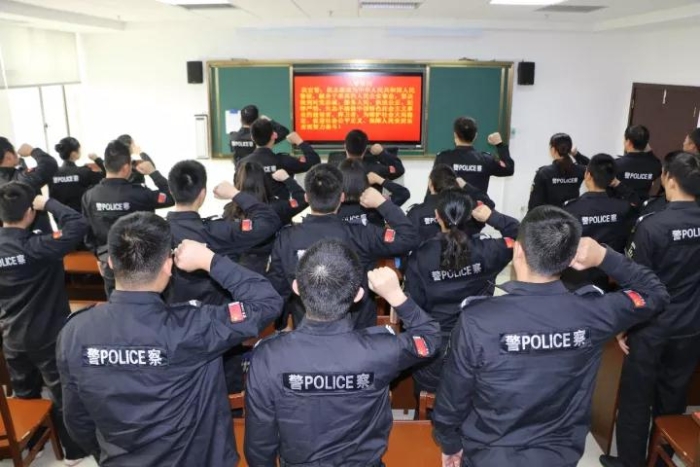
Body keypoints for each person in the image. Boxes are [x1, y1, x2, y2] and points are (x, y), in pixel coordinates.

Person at [431, 206, 669, 467]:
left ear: (518, 251)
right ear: (570, 259)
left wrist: (450, 443)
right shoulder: (594, 313)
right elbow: (655, 294)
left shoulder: (479, 320)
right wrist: (604, 256)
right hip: (559, 456)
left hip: (490, 455)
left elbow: (453, 396)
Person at [56, 213, 282, 467]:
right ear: (167, 265)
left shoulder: (75, 332)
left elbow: (76, 419)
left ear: (110, 263)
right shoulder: (193, 326)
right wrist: (210, 260)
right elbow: (266, 302)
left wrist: (109, 456)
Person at [244, 240, 440, 466]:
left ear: (296, 287)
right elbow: (430, 338)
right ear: (358, 295)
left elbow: (260, 446)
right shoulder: (382, 350)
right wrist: (396, 295)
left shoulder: (268, 357)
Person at [602, 152, 700, 467]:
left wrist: (622, 327)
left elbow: (634, 284)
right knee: (673, 395)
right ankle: (661, 459)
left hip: (650, 327)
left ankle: (631, 462)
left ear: (669, 179)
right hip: (691, 326)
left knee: (635, 398)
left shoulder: (653, 225)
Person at [164, 161, 282, 394]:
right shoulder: (218, 231)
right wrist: (236, 194)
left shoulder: (155, 232)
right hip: (221, 335)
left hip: (170, 337)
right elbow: (269, 221)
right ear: (202, 193)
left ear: (170, 190)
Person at [267, 164, 419, 330]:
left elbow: (278, 289)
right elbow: (409, 238)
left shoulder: (286, 238)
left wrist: (281, 325)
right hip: (357, 331)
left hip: (307, 331)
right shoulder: (361, 234)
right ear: (342, 197)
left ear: (306, 198)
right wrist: (382, 204)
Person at [0, 182, 89, 465]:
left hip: (11, 333)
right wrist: (48, 203)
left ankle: (32, 444)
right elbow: (78, 224)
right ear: (30, 212)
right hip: (48, 333)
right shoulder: (40, 246)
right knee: (62, 392)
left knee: (24, 391)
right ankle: (73, 451)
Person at [404, 189, 519, 394]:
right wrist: (492, 216)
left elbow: (415, 305)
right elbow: (525, 237)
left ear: (437, 215)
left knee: (426, 391)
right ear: (469, 216)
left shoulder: (421, 256)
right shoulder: (489, 249)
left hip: (435, 355)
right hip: (479, 348)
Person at [82, 140, 175, 297]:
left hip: (109, 261)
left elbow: (86, 231)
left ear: (105, 164)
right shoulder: (139, 194)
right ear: (126, 168)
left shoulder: (89, 196)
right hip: (141, 263)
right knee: (145, 303)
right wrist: (153, 172)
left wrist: (99, 256)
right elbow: (171, 197)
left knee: (115, 304)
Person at [223, 161, 307, 275]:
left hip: (241, 272)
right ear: (265, 181)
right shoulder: (279, 207)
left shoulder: (229, 210)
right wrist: (287, 179)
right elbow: (303, 199)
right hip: (274, 269)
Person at [563, 154, 638, 253]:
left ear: (588, 175)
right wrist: (618, 184)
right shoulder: (623, 208)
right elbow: (637, 203)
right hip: (614, 260)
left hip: (583, 261)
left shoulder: (571, 208)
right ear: (612, 179)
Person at [408, 164, 495, 242]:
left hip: (426, 255)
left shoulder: (416, 213)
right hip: (465, 253)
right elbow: (489, 206)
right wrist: (466, 186)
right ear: (455, 183)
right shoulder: (468, 207)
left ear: (431, 184)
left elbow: (408, 241)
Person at [238, 119, 320, 200]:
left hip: (251, 207)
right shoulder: (284, 161)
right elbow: (314, 161)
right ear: (274, 135)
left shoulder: (242, 163)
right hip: (280, 207)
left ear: (252, 138)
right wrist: (299, 141)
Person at [433, 117, 514, 194]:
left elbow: (433, 188)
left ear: (455, 134)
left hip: (450, 204)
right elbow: (509, 169)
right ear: (475, 136)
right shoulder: (485, 160)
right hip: (477, 204)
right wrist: (499, 145)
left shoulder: (443, 158)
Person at [0, 138, 58, 232]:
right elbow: (49, 165)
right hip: (35, 235)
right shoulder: (22, 179)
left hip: (7, 238)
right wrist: (33, 151)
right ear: (8, 156)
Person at [337, 158, 410, 227]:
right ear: (365, 182)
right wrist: (379, 180)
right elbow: (403, 193)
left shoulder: (333, 208)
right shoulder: (376, 205)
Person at [528, 133, 589, 211]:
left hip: (550, 217)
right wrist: (577, 155)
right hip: (572, 216)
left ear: (553, 150)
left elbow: (534, 205)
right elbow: (594, 169)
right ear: (569, 149)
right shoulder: (579, 170)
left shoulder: (544, 173)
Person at [49, 137, 105, 221]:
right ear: (74, 154)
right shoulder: (84, 172)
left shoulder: (52, 173)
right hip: (82, 219)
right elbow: (108, 173)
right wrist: (97, 159)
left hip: (61, 219)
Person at [331, 129, 406, 186]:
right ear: (365, 149)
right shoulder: (377, 170)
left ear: (345, 146)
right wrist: (382, 153)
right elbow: (399, 169)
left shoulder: (332, 169)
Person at [615, 125, 661, 202]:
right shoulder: (655, 165)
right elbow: (654, 162)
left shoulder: (616, 164)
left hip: (620, 205)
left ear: (628, 142)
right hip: (644, 206)